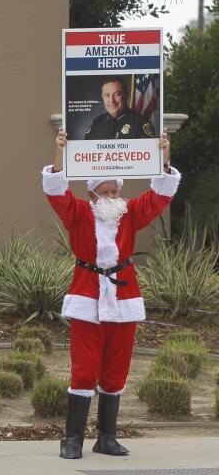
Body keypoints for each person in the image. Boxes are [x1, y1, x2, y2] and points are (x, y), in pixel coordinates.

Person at [44, 128, 178, 458]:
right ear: (92, 195)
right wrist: (59, 152)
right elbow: (57, 192)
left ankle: (106, 437)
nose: (110, 195)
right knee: (85, 369)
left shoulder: (129, 213)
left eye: (114, 189)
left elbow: (159, 196)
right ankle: (72, 439)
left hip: (123, 295)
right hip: (88, 294)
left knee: (116, 369)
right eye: (103, 191)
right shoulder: (78, 214)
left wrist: (164, 156)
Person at [84, 77, 154, 140]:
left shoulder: (139, 123)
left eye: (117, 94)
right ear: (102, 97)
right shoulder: (97, 122)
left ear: (126, 95)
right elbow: (85, 150)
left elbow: (148, 152)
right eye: (107, 95)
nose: (112, 100)